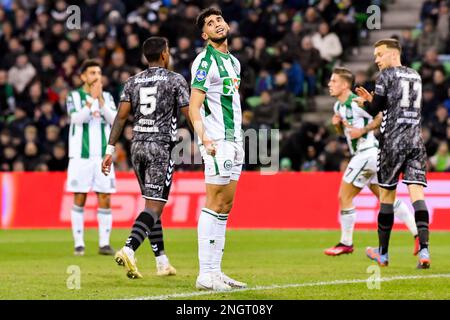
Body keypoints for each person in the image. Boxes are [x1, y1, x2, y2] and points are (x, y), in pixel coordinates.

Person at [102, 37, 189, 278]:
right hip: (160, 147)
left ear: (144, 57)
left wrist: (109, 151)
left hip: (137, 147)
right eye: (168, 51)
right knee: (154, 205)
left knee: (151, 205)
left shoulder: (132, 81)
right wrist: (204, 139)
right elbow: (187, 113)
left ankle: (162, 261)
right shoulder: (175, 80)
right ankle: (129, 249)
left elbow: (120, 118)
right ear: (164, 55)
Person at [324, 67, 418, 257]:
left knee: (344, 196)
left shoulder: (355, 102)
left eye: (334, 81)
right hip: (370, 156)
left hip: (366, 153)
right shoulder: (338, 107)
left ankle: (346, 243)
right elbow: (347, 133)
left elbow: (380, 116)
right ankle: (418, 234)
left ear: (344, 85)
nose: (329, 84)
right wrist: (337, 127)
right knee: (386, 199)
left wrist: (364, 130)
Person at [354, 39, 431, 269]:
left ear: (393, 55)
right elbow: (396, 104)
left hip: (392, 143)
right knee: (418, 196)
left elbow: (375, 110)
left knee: (386, 198)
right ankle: (425, 250)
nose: (376, 59)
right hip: (416, 141)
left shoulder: (386, 76)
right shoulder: (415, 75)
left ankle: (383, 254)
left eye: (380, 54)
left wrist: (363, 104)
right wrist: (376, 101)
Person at [189, 7, 247, 291]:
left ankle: (216, 272)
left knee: (226, 206)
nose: (217, 25)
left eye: (219, 20)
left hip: (235, 141)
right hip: (216, 141)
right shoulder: (204, 62)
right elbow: (193, 107)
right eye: (210, 24)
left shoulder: (234, 63)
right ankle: (205, 274)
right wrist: (205, 139)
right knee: (213, 203)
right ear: (205, 34)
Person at [66, 59, 117, 256]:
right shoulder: (74, 96)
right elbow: (77, 119)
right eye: (92, 73)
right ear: (83, 76)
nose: (97, 76)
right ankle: (79, 243)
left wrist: (101, 101)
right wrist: (90, 100)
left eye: (99, 72)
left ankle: (104, 244)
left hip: (103, 157)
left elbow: (114, 120)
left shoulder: (107, 97)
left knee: (104, 197)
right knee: (80, 196)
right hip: (80, 157)